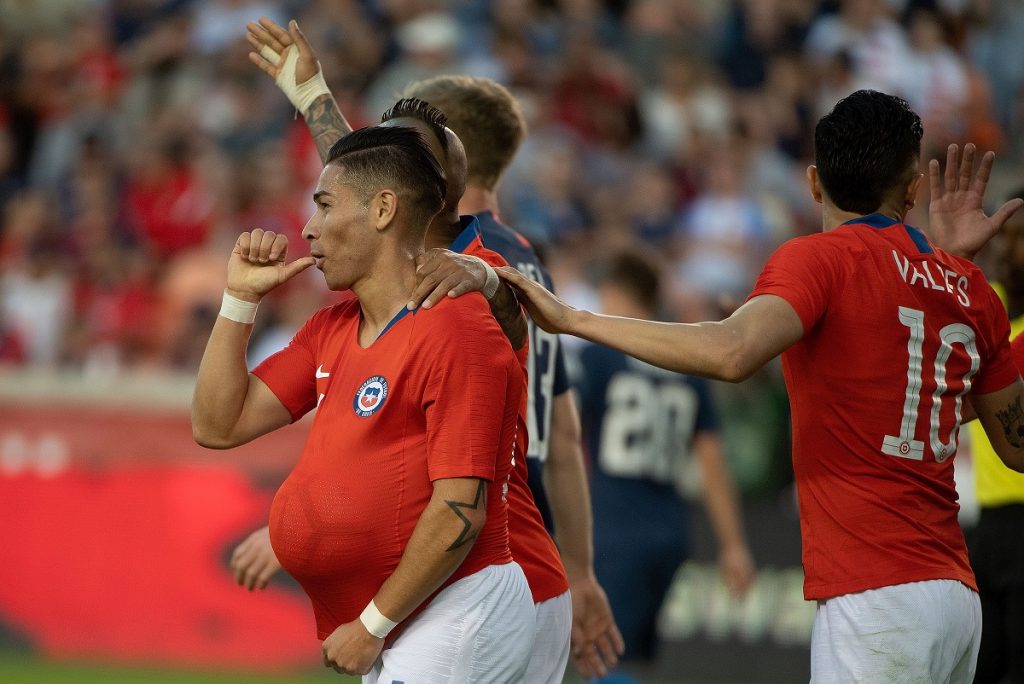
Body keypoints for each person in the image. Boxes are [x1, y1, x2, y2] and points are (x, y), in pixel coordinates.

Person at [499, 90, 1024, 682]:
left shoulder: (817, 260)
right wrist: (947, 266)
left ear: (813, 183)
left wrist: (573, 318)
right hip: (955, 596)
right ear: (911, 190)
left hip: (875, 594)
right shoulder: (968, 289)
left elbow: (731, 352)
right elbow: (1012, 442)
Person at [243, 16, 623, 678]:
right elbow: (559, 435)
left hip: (477, 571)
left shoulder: (466, 265)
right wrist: (582, 572)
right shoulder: (515, 256)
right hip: (520, 559)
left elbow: (371, 201)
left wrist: (315, 102)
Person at [191, 125, 535, 681]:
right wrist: (239, 300)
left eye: (324, 205)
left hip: (454, 610)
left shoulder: (456, 327)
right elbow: (216, 424)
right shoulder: (333, 326)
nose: (308, 228)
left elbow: (459, 511)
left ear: (382, 209)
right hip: (403, 617)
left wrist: (372, 624)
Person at [576, 251, 755, 676]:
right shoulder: (687, 364)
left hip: (614, 528)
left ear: (618, 295)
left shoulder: (601, 357)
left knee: (601, 657)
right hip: (669, 532)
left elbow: (569, 439)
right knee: (632, 658)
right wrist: (733, 545)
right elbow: (712, 463)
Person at [965, 187, 1024, 684]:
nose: (1005, 249)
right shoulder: (989, 308)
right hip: (990, 522)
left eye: (1019, 238)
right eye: (1002, 237)